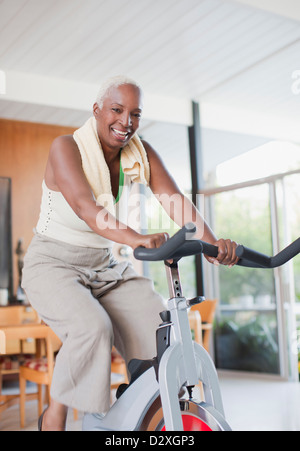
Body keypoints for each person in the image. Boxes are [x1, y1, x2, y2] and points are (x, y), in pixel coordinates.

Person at [22, 75, 239, 431]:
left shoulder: (140, 152)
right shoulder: (66, 147)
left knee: (161, 328)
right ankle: (55, 416)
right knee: (91, 328)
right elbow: (84, 206)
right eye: (117, 110)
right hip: (53, 263)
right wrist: (135, 238)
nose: (126, 122)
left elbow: (174, 201)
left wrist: (213, 246)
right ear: (97, 110)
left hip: (104, 266)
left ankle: (143, 416)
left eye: (135, 114)